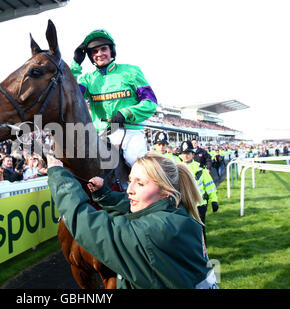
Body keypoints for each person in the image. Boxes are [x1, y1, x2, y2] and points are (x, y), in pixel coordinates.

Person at [46, 151, 218, 289]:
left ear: (166, 192)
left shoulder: (151, 232)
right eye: (130, 181)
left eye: (140, 183)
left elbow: (86, 224)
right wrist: (104, 194)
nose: (129, 190)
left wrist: (59, 176)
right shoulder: (178, 213)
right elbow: (136, 208)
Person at [72, 29, 158, 167]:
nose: (99, 54)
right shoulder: (87, 80)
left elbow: (150, 103)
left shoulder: (131, 71)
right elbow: (69, 94)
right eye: (94, 51)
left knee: (134, 162)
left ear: (111, 51)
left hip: (131, 133)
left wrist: (125, 113)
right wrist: (75, 65)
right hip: (103, 134)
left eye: (103, 49)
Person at [180, 141, 219, 245]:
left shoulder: (201, 169)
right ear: (181, 155)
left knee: (200, 231)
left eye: (188, 153)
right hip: (183, 206)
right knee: (185, 233)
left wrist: (214, 200)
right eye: (184, 153)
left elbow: (210, 186)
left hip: (199, 206)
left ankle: (203, 255)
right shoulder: (176, 170)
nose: (186, 155)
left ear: (193, 154)